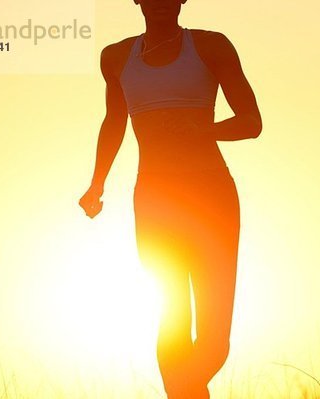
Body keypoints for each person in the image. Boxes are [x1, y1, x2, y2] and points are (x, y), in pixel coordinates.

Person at [78, 0, 262, 398]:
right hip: (154, 198)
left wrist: (204, 131)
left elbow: (252, 121)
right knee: (172, 319)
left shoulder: (212, 47)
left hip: (210, 193)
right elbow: (114, 120)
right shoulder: (115, 58)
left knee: (214, 340)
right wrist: (97, 184)